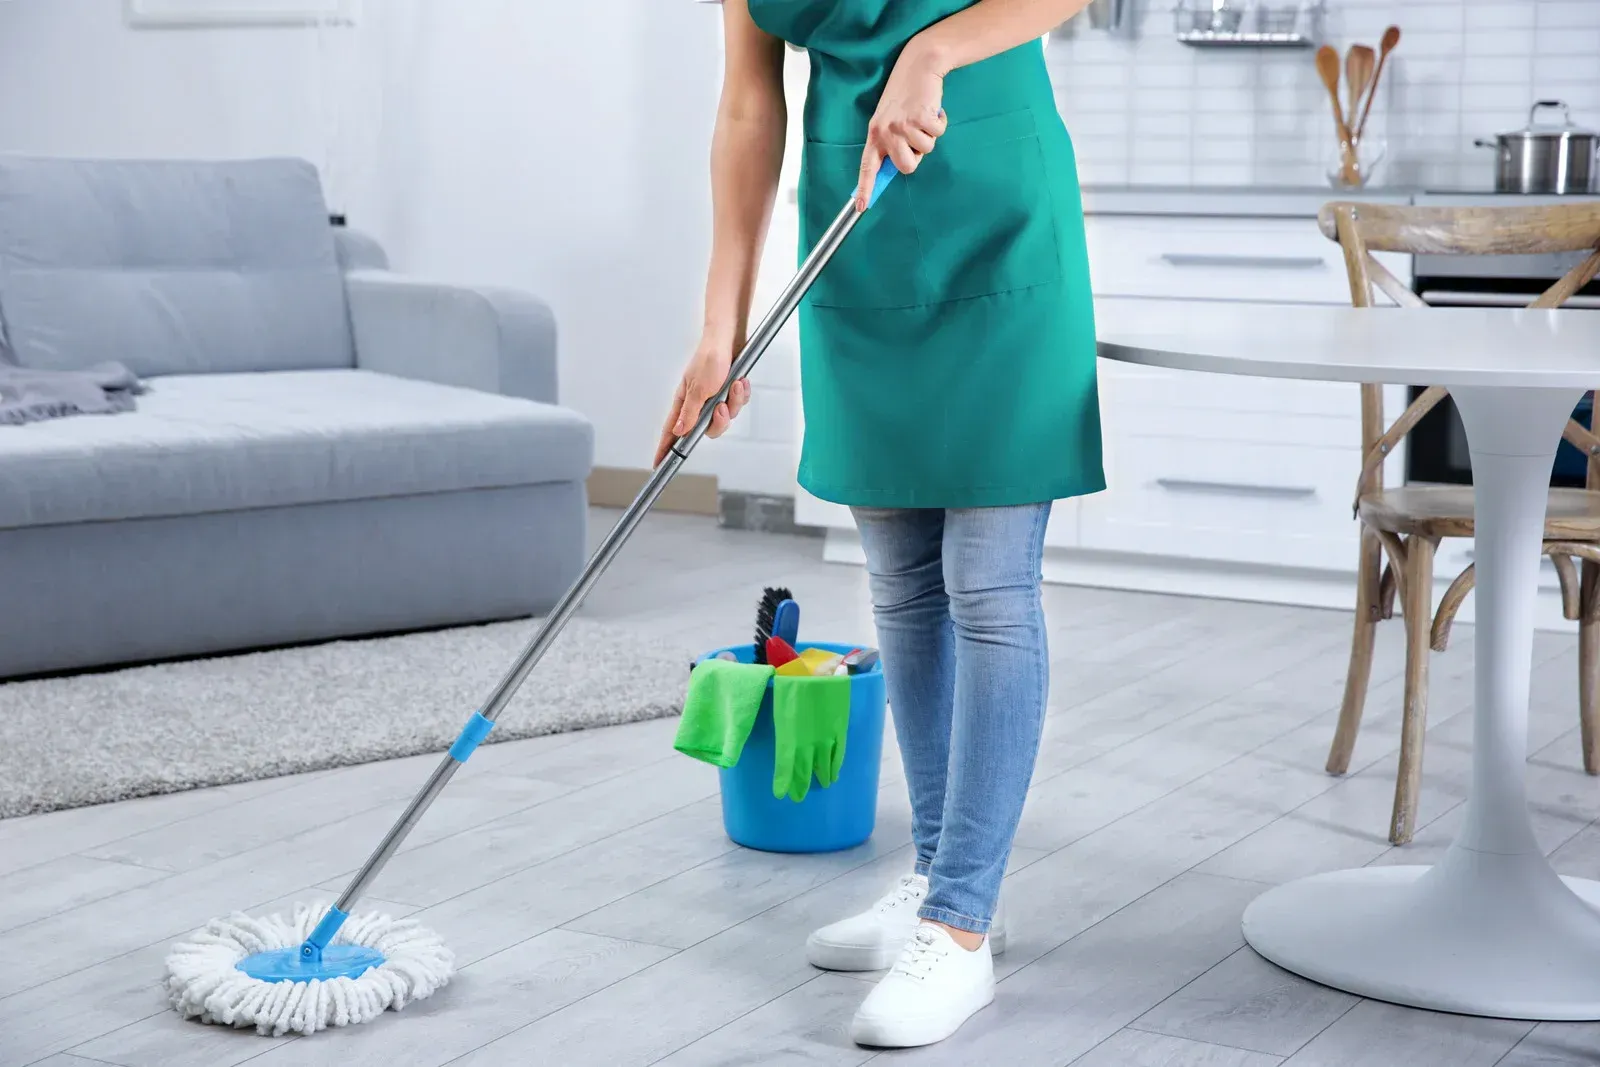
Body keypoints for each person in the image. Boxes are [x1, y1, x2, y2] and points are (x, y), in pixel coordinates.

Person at [656, 0, 1102, 1048]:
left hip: (997, 215)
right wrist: (718, 328)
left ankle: (958, 927)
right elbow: (747, 107)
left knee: (987, 583)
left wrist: (933, 49)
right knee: (900, 581)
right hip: (858, 223)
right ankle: (937, 873)